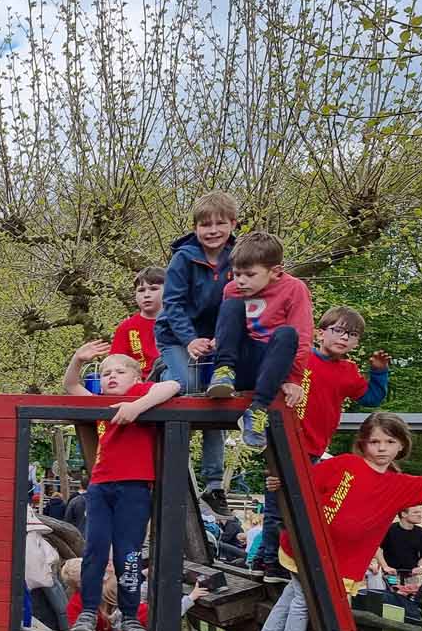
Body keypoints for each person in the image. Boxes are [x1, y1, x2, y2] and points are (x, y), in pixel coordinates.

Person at [253, 414, 422, 631]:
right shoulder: (345, 464)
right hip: (309, 547)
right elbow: (301, 481)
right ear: (363, 444)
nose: (382, 447)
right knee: (305, 598)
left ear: (401, 446)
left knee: (294, 595)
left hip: (335, 558)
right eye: (375, 441)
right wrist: (277, 481)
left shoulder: (399, 485)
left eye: (390, 441)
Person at [254, 305, 390, 581]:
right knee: (280, 502)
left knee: (297, 504)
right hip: (284, 440)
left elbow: (371, 399)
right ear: (319, 333)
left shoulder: (348, 371)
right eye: (337, 330)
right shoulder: (299, 360)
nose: (343, 338)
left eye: (351, 335)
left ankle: (261, 559)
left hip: (314, 447)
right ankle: (271, 561)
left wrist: (379, 372)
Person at [63, 344, 182, 631]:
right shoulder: (101, 406)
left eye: (119, 371)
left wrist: (136, 406)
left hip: (135, 486)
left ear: (136, 378)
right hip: (101, 486)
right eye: (105, 373)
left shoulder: (146, 397)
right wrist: (78, 359)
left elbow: (174, 384)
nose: (111, 376)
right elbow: (71, 385)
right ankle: (89, 611)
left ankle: (130, 617)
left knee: (129, 554)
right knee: (95, 549)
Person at [154, 191, 238, 514]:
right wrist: (189, 339)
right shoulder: (183, 258)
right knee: (186, 388)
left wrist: (222, 339)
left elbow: (239, 301)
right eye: (205, 224)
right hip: (176, 336)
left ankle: (214, 484)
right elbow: (172, 305)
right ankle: (164, 371)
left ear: (233, 224)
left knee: (217, 396)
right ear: (196, 227)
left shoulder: (237, 258)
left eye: (220, 223)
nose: (212, 230)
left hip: (216, 339)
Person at [204, 231, 313, 450]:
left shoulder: (294, 289)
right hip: (241, 363)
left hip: (270, 369)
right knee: (231, 306)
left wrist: (294, 378)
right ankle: (224, 372)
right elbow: (227, 327)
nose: (241, 281)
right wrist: (216, 342)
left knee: (287, 334)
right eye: (237, 274)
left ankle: (257, 411)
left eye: (250, 275)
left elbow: (302, 336)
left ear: (275, 271)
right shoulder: (232, 290)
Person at [110, 267, 165, 378]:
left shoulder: (179, 322)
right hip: (138, 383)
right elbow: (116, 363)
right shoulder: (126, 327)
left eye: (153, 289)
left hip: (171, 379)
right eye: (141, 290)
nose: (146, 295)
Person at [380, 505, 422, 585]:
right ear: (403, 514)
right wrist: (385, 566)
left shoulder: (421, 532)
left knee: (411, 595)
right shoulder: (389, 529)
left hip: (412, 575)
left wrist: (420, 567)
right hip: (391, 574)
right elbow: (376, 548)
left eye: (420, 512)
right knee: (392, 594)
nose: (420, 515)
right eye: (415, 512)